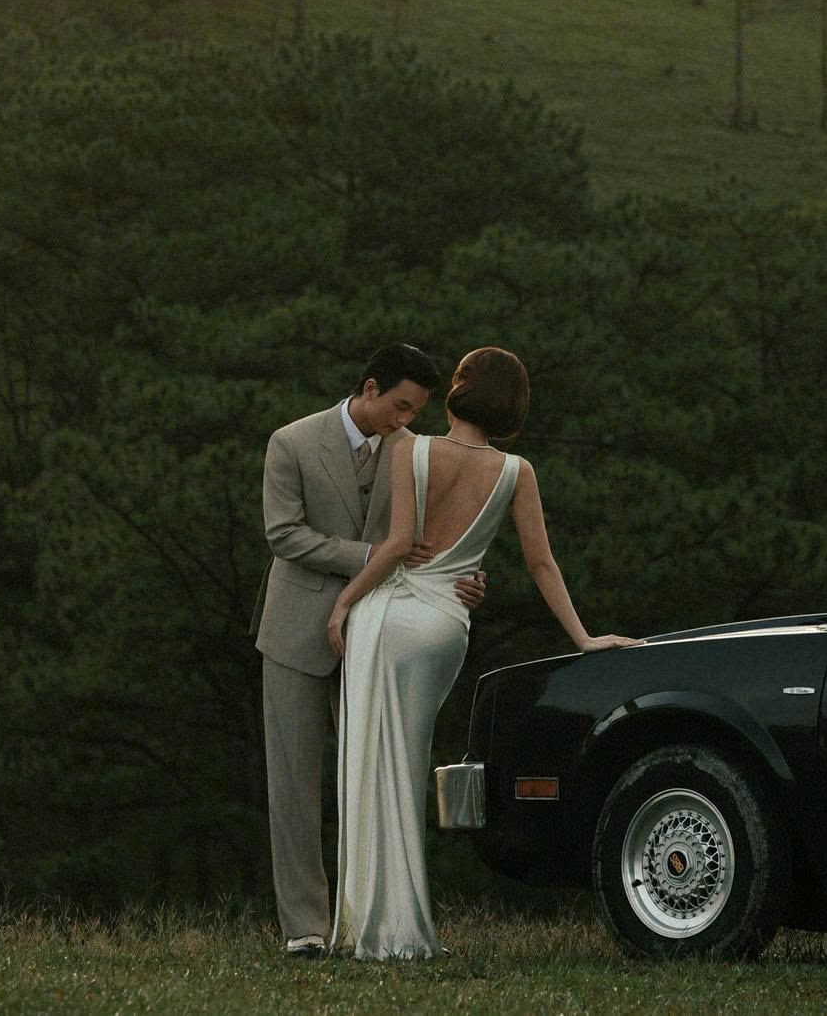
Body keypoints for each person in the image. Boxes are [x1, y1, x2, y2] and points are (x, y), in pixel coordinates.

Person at [326, 346, 640, 960]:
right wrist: (582, 638)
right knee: (409, 761)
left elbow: (396, 547)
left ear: (461, 389)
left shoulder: (408, 448)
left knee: (371, 763)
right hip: (444, 623)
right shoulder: (516, 472)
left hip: (387, 615)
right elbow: (542, 562)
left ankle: (374, 927)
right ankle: (398, 928)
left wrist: (344, 604)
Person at [252, 345, 486, 959]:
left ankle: (364, 922)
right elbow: (283, 534)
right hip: (296, 632)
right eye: (401, 406)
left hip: (380, 633)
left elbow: (437, 539)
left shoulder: (414, 454)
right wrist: (371, 557)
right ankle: (304, 927)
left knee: (372, 779)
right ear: (371, 387)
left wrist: (465, 576)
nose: (407, 420)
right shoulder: (292, 443)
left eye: (417, 411)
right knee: (294, 786)